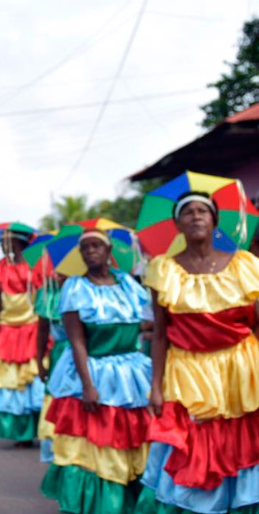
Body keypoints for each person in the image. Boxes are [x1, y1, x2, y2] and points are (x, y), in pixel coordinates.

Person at [136, 192, 259, 514]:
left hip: (241, 368)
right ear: (177, 224)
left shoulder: (245, 264)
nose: (195, 216)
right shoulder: (164, 270)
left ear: (215, 220)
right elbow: (160, 334)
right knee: (194, 447)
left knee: (242, 443)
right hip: (188, 370)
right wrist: (156, 387)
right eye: (187, 211)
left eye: (202, 210)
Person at [41, 230, 152, 514]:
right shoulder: (75, 288)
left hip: (131, 372)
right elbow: (76, 340)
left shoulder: (128, 282)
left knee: (133, 436)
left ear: (108, 250)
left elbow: (145, 319)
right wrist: (87, 385)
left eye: (96, 246)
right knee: (99, 443)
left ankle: (130, 501)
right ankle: (101, 505)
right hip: (95, 369)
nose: (90, 251)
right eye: (85, 248)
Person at [0, 230, 44, 446]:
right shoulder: (2, 266)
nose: (3, 246)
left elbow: (42, 294)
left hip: (32, 326)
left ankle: (39, 427)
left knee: (33, 377)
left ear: (18, 243)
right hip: (8, 329)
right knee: (10, 380)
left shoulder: (35, 264)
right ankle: (20, 433)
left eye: (6, 242)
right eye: (2, 242)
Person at [34, 271, 67, 464]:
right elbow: (42, 331)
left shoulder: (86, 288)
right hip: (60, 357)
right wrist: (40, 362)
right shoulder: (48, 293)